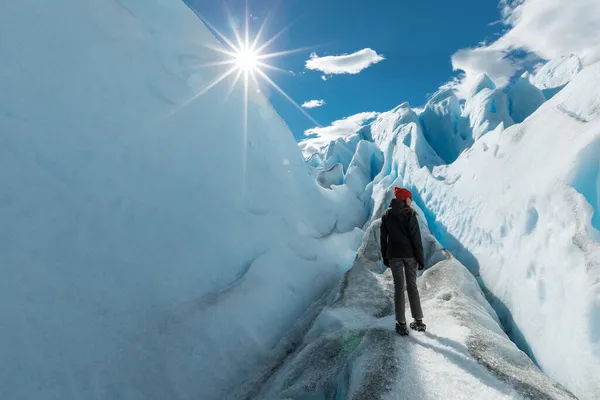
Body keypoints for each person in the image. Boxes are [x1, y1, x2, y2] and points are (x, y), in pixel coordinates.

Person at [380, 187, 427, 336]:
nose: (411, 200)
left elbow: (383, 239)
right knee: (412, 286)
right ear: (404, 199)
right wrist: (420, 258)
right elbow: (416, 239)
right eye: (410, 198)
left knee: (399, 287)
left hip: (394, 256)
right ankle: (418, 321)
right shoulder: (410, 215)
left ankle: (401, 324)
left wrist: (385, 257)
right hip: (409, 255)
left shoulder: (386, 215)